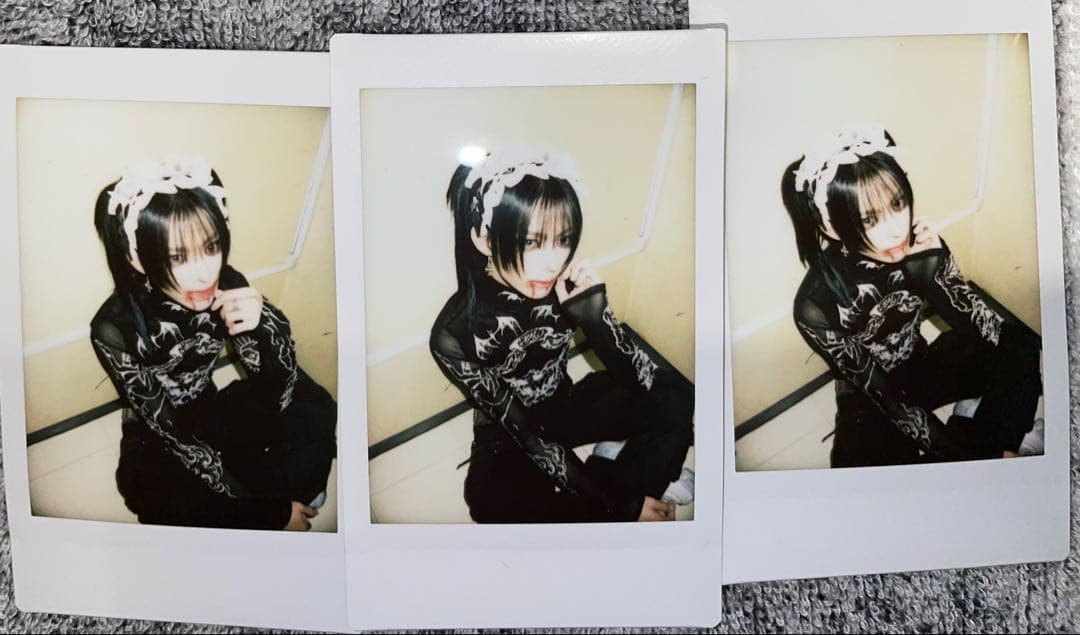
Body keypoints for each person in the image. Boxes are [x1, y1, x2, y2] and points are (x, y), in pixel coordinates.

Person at [430, 145, 694, 523]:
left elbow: (641, 379)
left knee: (676, 394)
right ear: (484, 238)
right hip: (510, 435)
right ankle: (625, 484)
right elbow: (527, 433)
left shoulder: (565, 284)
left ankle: (621, 483)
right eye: (531, 241)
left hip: (566, 402)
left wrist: (596, 318)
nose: (553, 261)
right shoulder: (452, 335)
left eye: (563, 239)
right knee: (491, 505)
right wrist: (621, 505)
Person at [90, 157, 336, 530]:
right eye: (177, 256)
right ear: (138, 258)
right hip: (157, 437)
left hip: (210, 406)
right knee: (171, 499)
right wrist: (271, 514)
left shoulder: (228, 282)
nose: (204, 273)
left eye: (211, 247)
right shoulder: (113, 328)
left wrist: (266, 324)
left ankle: (287, 500)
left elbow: (279, 393)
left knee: (314, 403)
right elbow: (175, 437)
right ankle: (283, 509)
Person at [780, 126, 1042, 467]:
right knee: (864, 474)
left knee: (1019, 342)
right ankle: (988, 441)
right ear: (832, 227)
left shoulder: (918, 244)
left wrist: (936, 271)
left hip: (922, 363)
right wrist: (981, 455)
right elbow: (890, 402)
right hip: (872, 399)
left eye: (898, 203)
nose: (896, 229)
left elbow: (989, 332)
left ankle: (980, 435)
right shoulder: (814, 306)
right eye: (869, 219)